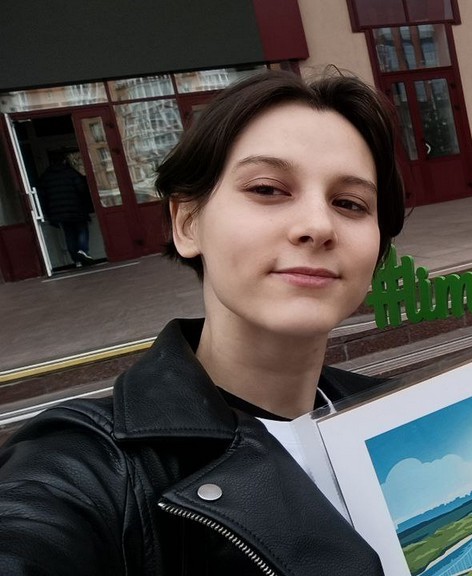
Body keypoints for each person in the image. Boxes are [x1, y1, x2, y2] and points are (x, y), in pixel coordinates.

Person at [0, 70, 404, 575]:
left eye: (349, 203)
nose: (318, 226)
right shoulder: (93, 464)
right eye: (267, 189)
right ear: (187, 223)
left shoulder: (395, 415)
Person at [37, 150, 97, 266]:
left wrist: (49, 213)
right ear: (64, 161)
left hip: (59, 212)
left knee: (69, 234)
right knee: (82, 230)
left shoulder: (46, 176)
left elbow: (43, 195)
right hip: (76, 208)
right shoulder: (71, 173)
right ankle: (83, 250)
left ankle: (76, 260)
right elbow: (81, 189)